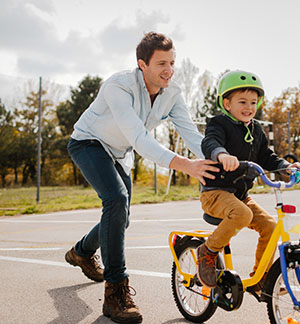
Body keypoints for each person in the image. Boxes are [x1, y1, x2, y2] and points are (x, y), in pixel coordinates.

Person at [65, 32, 218, 324]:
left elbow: (191, 134)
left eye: (173, 62)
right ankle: (115, 293)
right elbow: (138, 136)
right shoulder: (118, 86)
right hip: (88, 143)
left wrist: (216, 157)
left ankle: (81, 252)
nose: (169, 70)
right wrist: (185, 165)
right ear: (141, 64)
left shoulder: (172, 93)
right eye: (162, 63)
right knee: (116, 199)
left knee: (121, 217)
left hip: (119, 152)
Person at [196, 70, 300, 300]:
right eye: (242, 102)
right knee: (242, 214)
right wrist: (221, 154)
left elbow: (267, 156)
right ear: (227, 103)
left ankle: (260, 279)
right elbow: (210, 142)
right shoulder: (219, 123)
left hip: (240, 195)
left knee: (271, 227)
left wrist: (286, 166)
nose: (249, 107)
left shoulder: (256, 130)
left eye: (253, 102)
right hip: (215, 192)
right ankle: (208, 251)